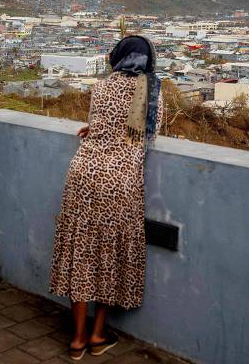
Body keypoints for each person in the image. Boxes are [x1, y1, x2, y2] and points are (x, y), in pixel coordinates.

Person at [48, 35, 164, 360]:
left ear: (119, 57)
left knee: (80, 251)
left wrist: (94, 130)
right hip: (118, 180)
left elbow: (102, 123)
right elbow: (147, 134)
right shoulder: (149, 88)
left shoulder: (101, 86)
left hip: (83, 173)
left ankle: (77, 340)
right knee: (111, 255)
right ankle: (98, 334)